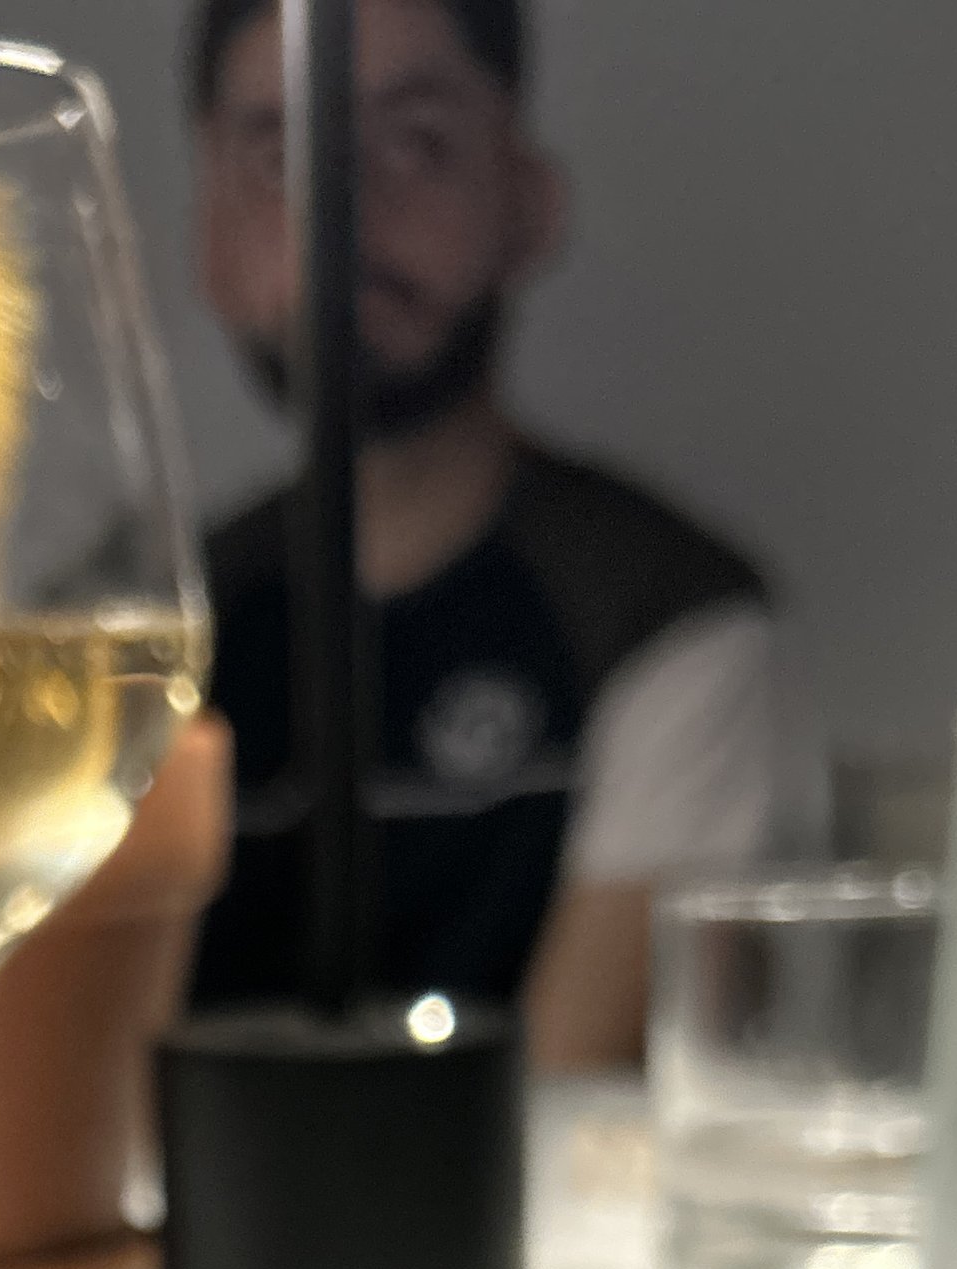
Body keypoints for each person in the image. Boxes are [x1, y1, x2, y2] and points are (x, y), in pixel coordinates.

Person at [188, 0, 817, 1066]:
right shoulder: (150, 641)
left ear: (527, 203)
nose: (344, 205)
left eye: (416, 143)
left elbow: (578, 1096)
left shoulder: (668, 622)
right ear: (210, 236)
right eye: (279, 156)